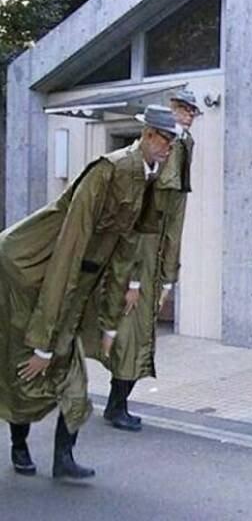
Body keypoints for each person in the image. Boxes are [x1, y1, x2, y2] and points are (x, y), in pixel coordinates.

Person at [0, 105, 181, 479]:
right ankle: (19, 446)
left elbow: (124, 253)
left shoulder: (146, 176)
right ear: (148, 135)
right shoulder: (108, 170)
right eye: (166, 139)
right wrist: (43, 343)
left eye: (173, 142)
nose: (169, 148)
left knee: (73, 379)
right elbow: (69, 250)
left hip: (73, 288)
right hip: (30, 276)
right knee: (26, 374)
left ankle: (63, 459)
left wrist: (110, 324)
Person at [96, 90, 201, 431]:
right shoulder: (145, 162)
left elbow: (174, 221)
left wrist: (168, 274)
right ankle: (115, 405)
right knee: (131, 333)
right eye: (183, 109)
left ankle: (117, 403)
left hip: (154, 255)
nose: (188, 116)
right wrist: (135, 279)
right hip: (139, 256)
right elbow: (140, 223)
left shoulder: (183, 146)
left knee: (139, 335)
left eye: (191, 111)